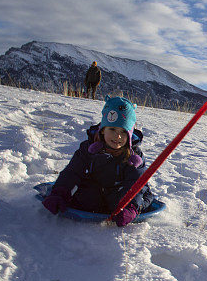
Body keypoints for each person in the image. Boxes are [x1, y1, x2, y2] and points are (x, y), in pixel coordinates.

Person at [42, 96, 152, 227]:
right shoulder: (88, 148)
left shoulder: (134, 155)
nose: (118, 136)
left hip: (121, 192)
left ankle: (130, 208)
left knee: (137, 198)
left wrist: (130, 207)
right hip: (95, 189)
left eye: (123, 132)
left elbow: (136, 183)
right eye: (112, 129)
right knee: (86, 198)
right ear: (103, 129)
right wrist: (59, 193)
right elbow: (72, 172)